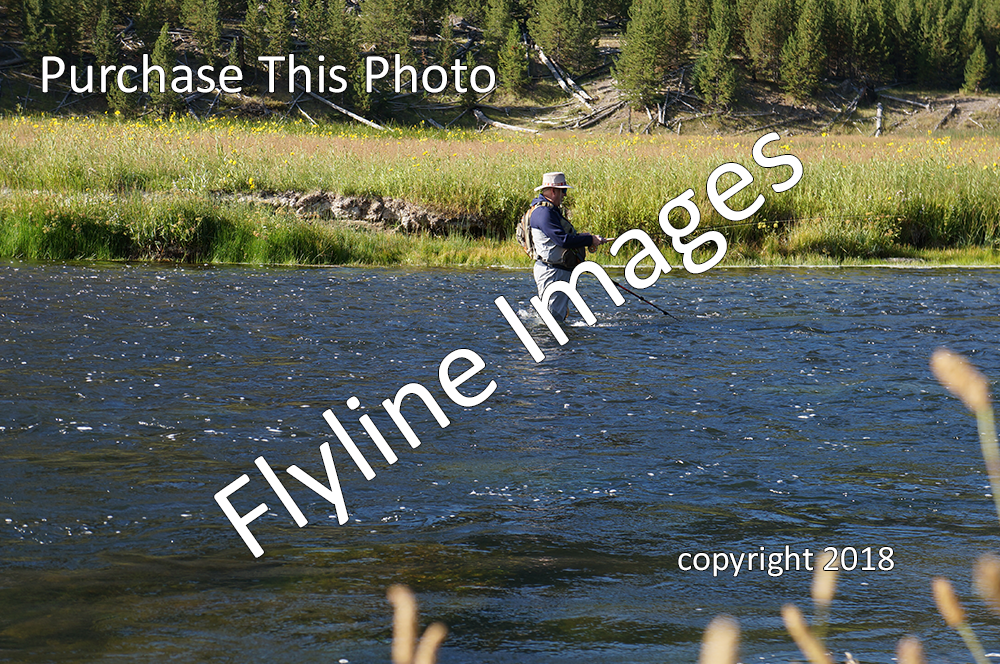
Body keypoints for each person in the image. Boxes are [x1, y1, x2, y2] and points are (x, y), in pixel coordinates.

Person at [528, 172, 610, 322]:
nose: (564, 195)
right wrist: (589, 239)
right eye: (563, 191)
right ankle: (550, 344)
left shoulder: (547, 210)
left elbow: (559, 237)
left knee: (555, 316)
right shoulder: (544, 213)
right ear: (554, 191)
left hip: (556, 270)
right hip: (552, 272)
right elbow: (562, 240)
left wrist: (582, 238)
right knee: (552, 320)